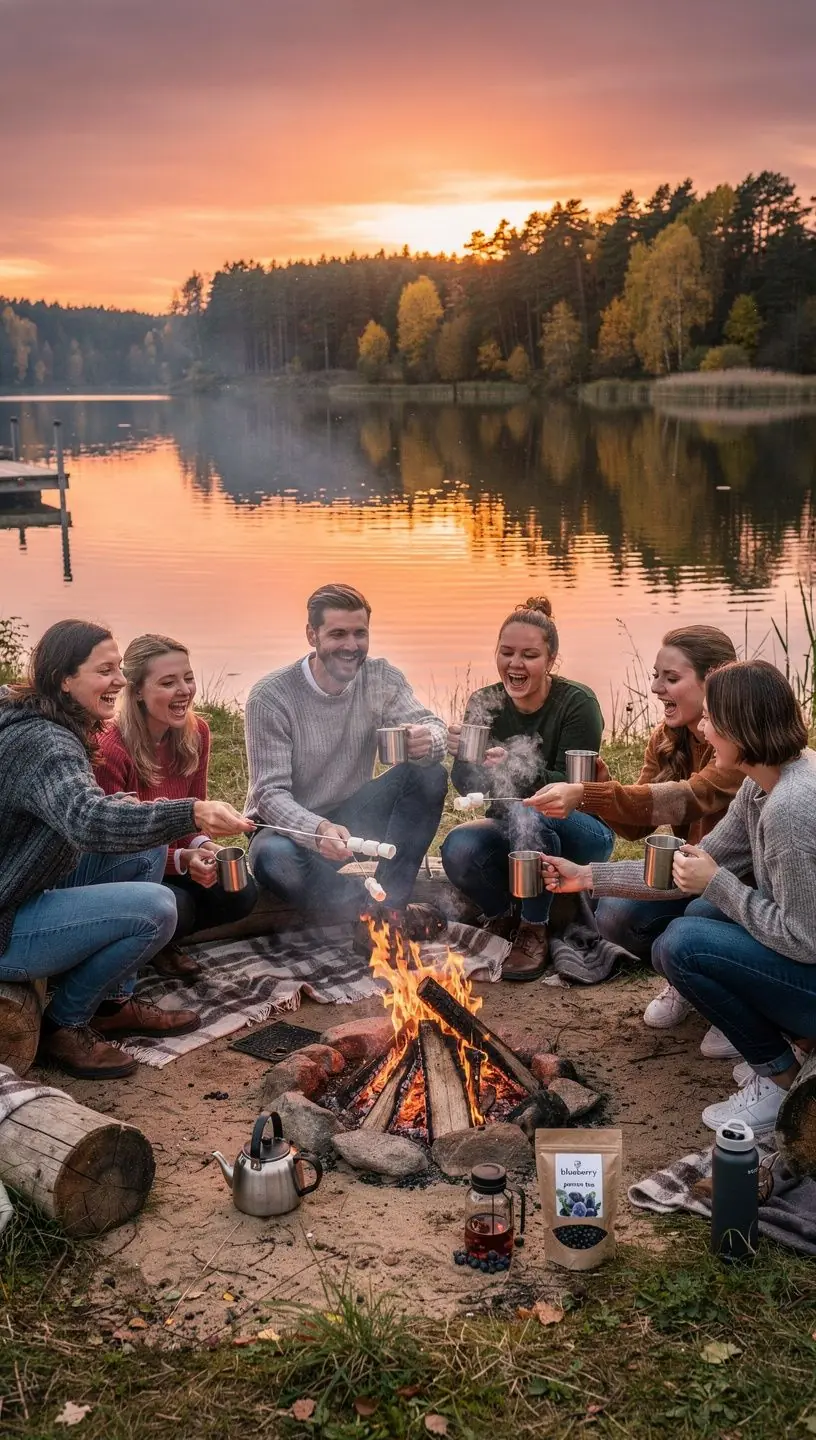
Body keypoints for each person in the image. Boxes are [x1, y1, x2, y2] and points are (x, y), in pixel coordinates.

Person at [540, 659, 816, 1135]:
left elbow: (805, 940)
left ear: (740, 728)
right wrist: (585, 876)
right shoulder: (761, 785)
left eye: (710, 719)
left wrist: (719, 883)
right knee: (702, 911)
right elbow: (682, 867)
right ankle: (790, 1047)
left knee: (681, 944)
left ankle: (782, 1081)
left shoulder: (791, 808)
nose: (703, 730)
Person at [0, 620, 252, 1080]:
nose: (119, 680)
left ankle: (113, 1005)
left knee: (147, 850)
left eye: (119, 668)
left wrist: (182, 832)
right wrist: (191, 813)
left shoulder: (42, 719)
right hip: (6, 921)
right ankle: (65, 1024)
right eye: (105, 671)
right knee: (158, 909)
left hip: (22, 886)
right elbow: (88, 820)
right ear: (64, 679)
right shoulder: (45, 742)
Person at [523, 625, 742, 1045]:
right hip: (687, 875)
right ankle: (688, 977)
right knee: (614, 915)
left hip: (736, 883)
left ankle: (731, 994)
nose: (656, 688)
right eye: (656, 676)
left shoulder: (738, 746)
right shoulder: (667, 737)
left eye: (671, 678)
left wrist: (589, 793)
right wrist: (599, 790)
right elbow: (637, 826)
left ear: (714, 680)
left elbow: (688, 798)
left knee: (699, 916)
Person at [245, 583, 448, 936]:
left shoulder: (379, 677)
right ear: (312, 635)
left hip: (354, 817)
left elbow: (433, 725)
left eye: (360, 633)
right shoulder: (271, 697)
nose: (352, 646)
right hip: (290, 829)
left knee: (429, 775)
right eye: (338, 634)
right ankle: (377, 914)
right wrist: (317, 830)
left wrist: (428, 739)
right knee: (273, 860)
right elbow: (269, 795)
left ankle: (388, 910)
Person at [440, 597, 613, 981]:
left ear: (550, 660)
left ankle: (534, 927)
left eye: (529, 655)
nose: (515, 664)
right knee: (458, 846)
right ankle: (503, 915)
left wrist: (517, 768)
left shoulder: (577, 703)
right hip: (510, 828)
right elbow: (468, 785)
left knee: (530, 810)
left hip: (581, 830)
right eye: (507, 652)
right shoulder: (484, 702)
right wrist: (467, 757)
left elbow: (577, 787)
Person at [95, 634, 258, 978]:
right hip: (125, 873)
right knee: (177, 906)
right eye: (168, 682)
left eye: (188, 678)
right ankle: (151, 943)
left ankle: (156, 939)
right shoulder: (111, 748)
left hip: (172, 865)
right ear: (137, 691)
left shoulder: (197, 733)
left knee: (241, 893)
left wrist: (206, 846)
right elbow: (113, 846)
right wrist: (181, 859)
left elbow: (191, 816)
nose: (184, 690)